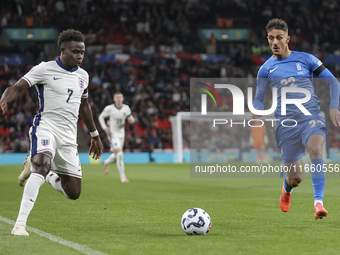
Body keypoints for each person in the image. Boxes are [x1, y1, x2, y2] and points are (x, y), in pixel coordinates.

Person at [0, 29, 103, 236]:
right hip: (46, 126)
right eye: (75, 52)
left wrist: (94, 135)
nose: (80, 56)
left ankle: (40, 171)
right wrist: (4, 98)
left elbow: (84, 106)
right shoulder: (44, 69)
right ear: (62, 50)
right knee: (42, 166)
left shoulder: (83, 76)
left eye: (82, 52)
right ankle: (20, 224)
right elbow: (18, 87)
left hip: (68, 137)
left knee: (73, 192)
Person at [252, 19, 340, 219]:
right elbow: (259, 96)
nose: (275, 42)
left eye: (279, 38)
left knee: (316, 149)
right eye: (271, 38)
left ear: (287, 39)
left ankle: (319, 203)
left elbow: (333, 82)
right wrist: (256, 109)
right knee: (295, 179)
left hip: (311, 117)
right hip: (286, 125)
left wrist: (334, 106)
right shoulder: (265, 69)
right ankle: (286, 188)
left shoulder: (306, 59)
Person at [98, 92, 134, 182]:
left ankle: (105, 162)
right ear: (114, 99)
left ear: (123, 98)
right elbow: (100, 117)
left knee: (116, 154)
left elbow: (131, 118)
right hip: (113, 134)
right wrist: (105, 127)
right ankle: (123, 177)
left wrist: (131, 120)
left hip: (122, 133)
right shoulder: (109, 108)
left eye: (120, 97)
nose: (119, 99)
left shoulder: (126, 108)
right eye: (117, 97)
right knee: (120, 153)